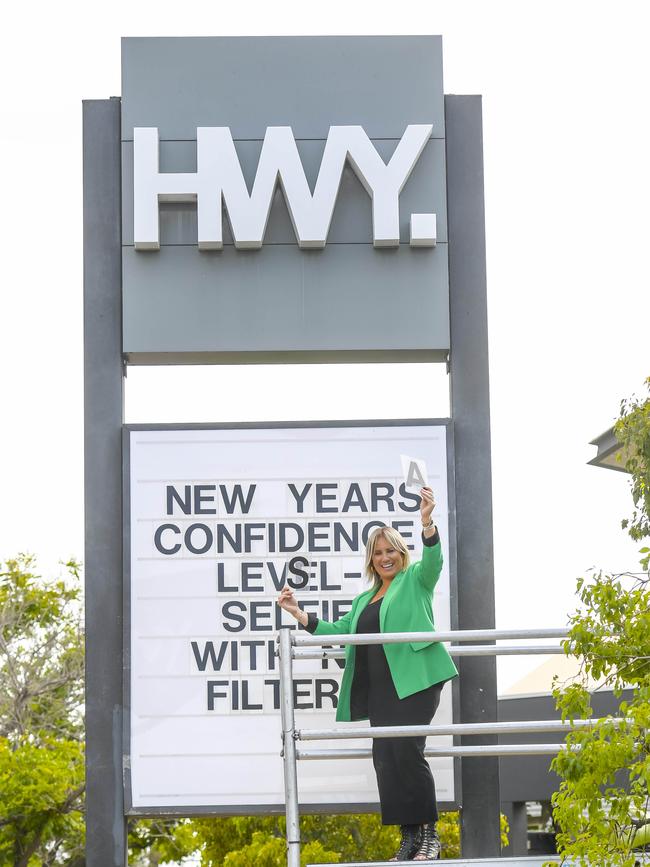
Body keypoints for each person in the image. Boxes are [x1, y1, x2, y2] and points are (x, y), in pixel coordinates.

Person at [277, 486, 458, 861]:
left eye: (390, 550)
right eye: (377, 553)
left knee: (407, 751)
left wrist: (426, 522)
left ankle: (429, 836)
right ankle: (409, 839)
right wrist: (299, 614)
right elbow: (341, 631)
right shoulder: (364, 598)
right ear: (370, 560)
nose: (384, 557)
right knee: (386, 759)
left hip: (414, 682)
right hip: (380, 689)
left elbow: (435, 560)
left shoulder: (416, 580)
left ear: (401, 553)